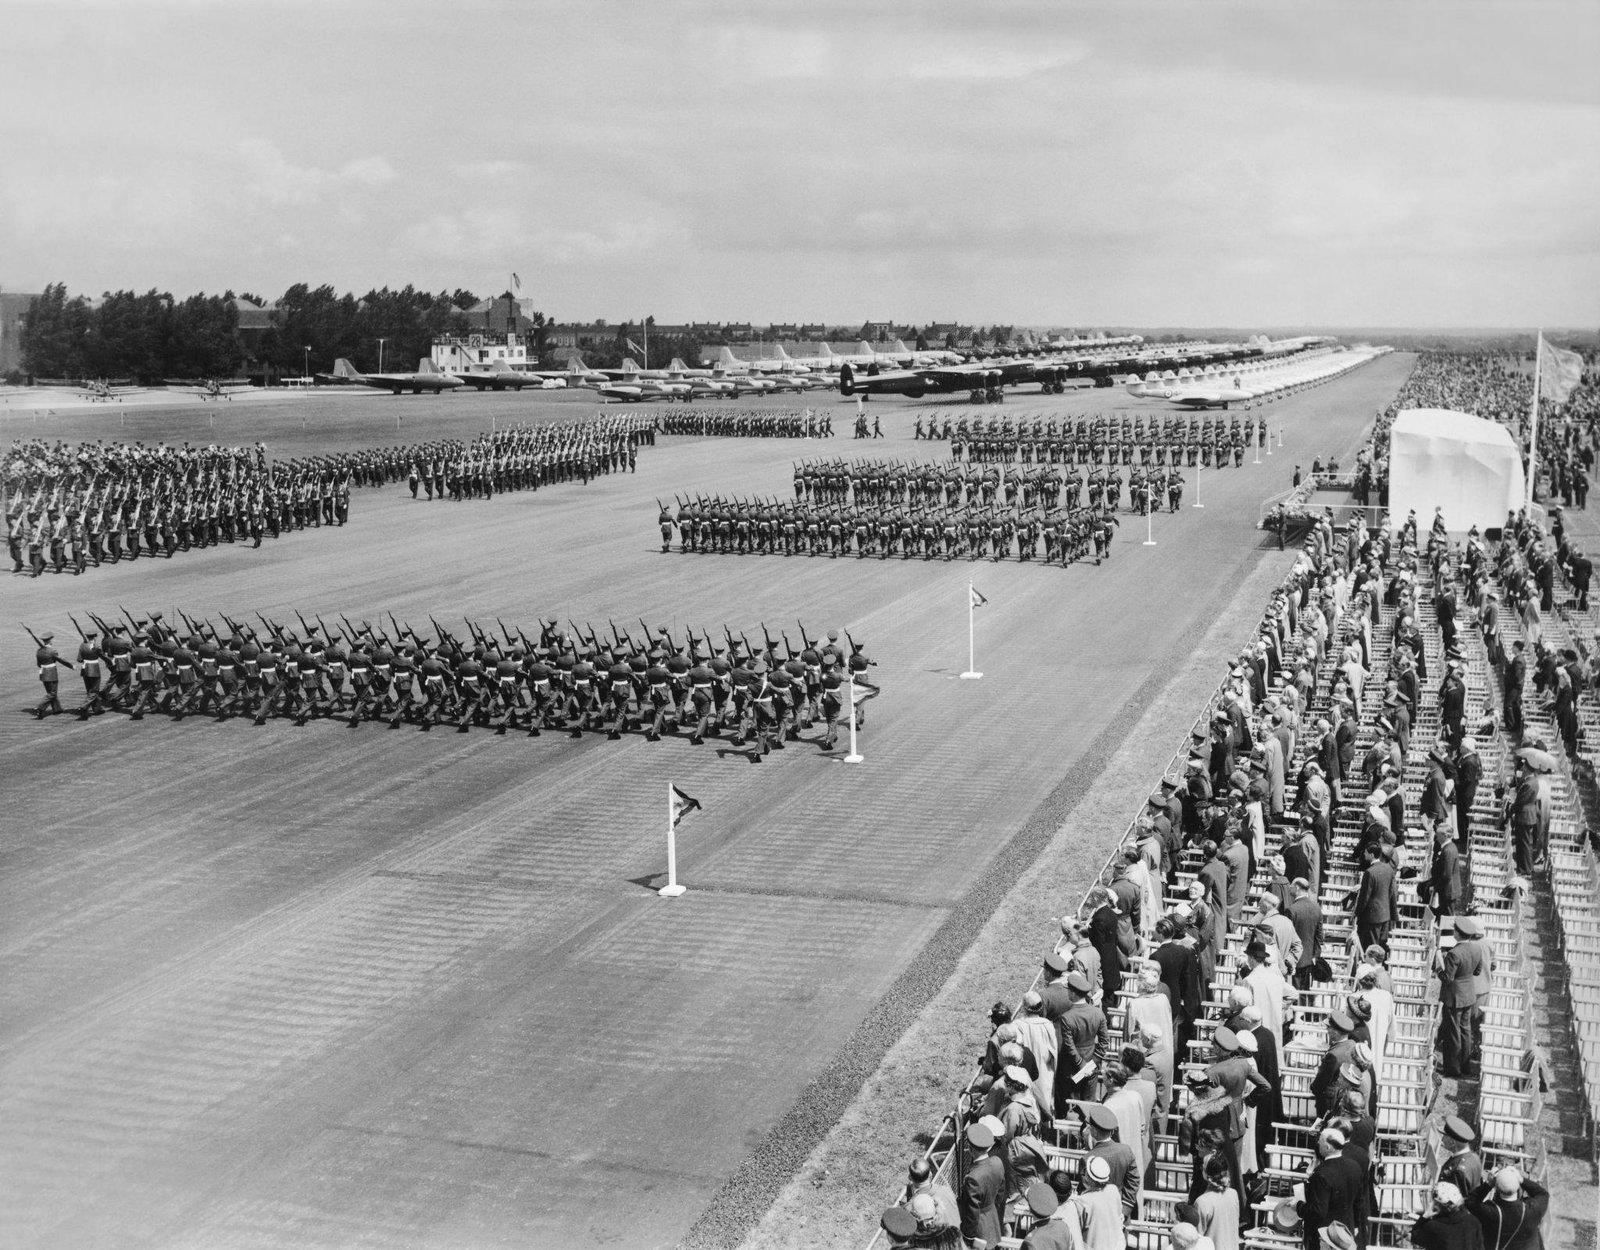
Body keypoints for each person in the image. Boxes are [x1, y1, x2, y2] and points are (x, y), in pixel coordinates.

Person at [1300, 1128, 1365, 1250]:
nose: (1318, 1144)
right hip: (1346, 1231)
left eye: (1320, 1141)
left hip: (1325, 1236)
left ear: (1328, 1147)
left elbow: (1318, 1212)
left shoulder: (1321, 1174)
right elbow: (1359, 1201)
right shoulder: (1354, 1167)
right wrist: (1356, 1225)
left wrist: (1298, 1206)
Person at [1467, 1168, 1549, 1250]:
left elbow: (1471, 1201)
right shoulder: (1532, 1209)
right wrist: (1521, 1180)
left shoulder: (1490, 1212)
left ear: (1496, 1188)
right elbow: (1543, 1194)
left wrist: (1489, 1184)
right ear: (1518, 1187)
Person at [959, 1121, 1005, 1249]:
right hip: (993, 1219)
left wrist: (968, 1238)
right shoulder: (997, 1162)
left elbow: (971, 1214)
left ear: (971, 1148)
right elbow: (1000, 1194)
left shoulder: (973, 1178)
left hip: (980, 1230)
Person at [1412, 1182, 1485, 1250]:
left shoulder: (1434, 1227)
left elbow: (1414, 1236)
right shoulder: (1473, 1222)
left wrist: (1425, 1216)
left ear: (1438, 1204)